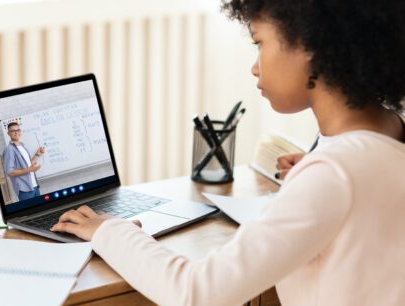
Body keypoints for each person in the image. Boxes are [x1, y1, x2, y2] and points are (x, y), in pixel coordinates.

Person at [51, 1, 405, 305]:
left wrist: (108, 230)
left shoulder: (334, 174)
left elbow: (196, 293)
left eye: (259, 42)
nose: (254, 66)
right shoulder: (389, 136)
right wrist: (319, 171)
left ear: (312, 47)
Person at [2, 122, 45, 202]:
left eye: (18, 130)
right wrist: (30, 170)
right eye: (13, 131)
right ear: (8, 133)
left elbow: (28, 165)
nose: (16, 132)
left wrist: (38, 154)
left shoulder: (22, 146)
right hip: (24, 190)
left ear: (20, 131)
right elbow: (10, 172)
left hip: (34, 186)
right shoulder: (9, 149)